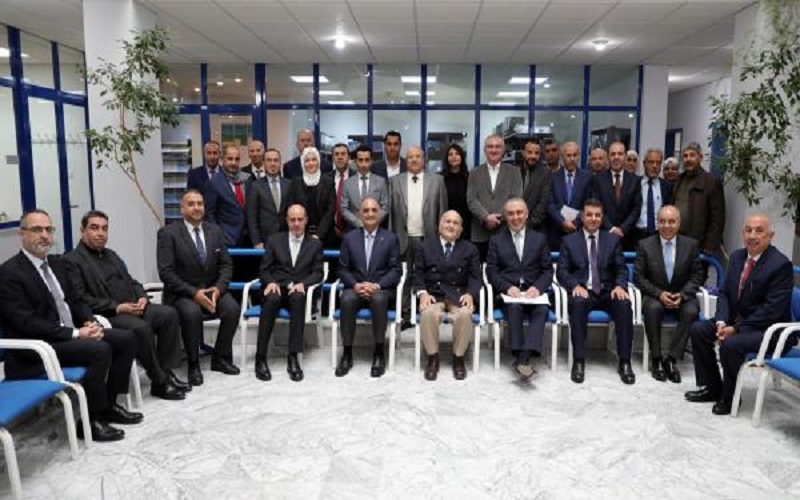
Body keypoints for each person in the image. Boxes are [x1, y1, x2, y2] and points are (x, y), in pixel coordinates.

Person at [0, 210, 140, 442]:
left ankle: (109, 405)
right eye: (37, 230)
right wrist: (75, 333)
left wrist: (91, 322)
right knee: (100, 350)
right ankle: (90, 422)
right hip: (38, 349)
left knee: (127, 339)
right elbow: (25, 322)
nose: (44, 235)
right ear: (21, 234)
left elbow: (75, 300)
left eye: (48, 229)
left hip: (68, 335)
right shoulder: (9, 273)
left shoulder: (57, 263)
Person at [65, 210, 188, 401]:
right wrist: (117, 307)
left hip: (134, 307)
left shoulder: (111, 255)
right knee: (141, 328)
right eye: (94, 228)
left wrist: (142, 297)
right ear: (83, 231)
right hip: (108, 314)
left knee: (169, 314)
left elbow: (132, 282)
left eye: (104, 229)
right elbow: (80, 298)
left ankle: (166, 371)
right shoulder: (72, 260)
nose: (100, 233)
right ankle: (159, 381)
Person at [685, 214, 794, 415]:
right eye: (748, 230)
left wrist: (736, 329)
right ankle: (713, 387)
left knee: (731, 344)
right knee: (699, 329)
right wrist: (721, 321)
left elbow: (772, 310)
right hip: (736, 321)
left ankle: (730, 396)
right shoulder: (736, 257)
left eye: (759, 231)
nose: (752, 235)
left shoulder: (780, 265)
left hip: (769, 330)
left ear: (771, 236)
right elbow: (725, 293)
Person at [157, 190, 241, 386]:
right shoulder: (168, 233)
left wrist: (218, 289)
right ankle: (193, 364)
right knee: (192, 312)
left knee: (232, 309)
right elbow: (166, 272)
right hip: (182, 294)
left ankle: (219, 358)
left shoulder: (215, 231)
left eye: (200, 203)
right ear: (182, 208)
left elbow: (226, 265)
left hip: (212, 290)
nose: (196, 208)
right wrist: (194, 294)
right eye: (191, 204)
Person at [557, 199, 636, 385]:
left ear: (602, 218)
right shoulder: (569, 241)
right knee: (577, 304)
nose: (593, 219)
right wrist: (574, 286)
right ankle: (579, 361)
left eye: (597, 215)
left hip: (608, 291)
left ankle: (625, 362)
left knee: (624, 305)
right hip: (583, 291)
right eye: (589, 215)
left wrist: (620, 286)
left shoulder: (613, 240)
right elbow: (562, 271)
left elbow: (622, 269)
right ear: (582, 217)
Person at [255, 204, 324, 382]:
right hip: (277, 287)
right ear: (287, 221)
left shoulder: (315, 244)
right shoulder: (274, 240)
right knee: (270, 300)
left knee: (298, 299)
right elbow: (264, 270)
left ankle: (293, 357)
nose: (296, 223)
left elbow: (318, 273)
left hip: (298, 290)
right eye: (292, 220)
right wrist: (270, 282)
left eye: (300, 219)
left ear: (306, 220)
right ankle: (260, 357)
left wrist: (304, 284)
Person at [634, 205, 703, 382]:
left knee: (691, 311)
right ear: (657, 223)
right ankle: (657, 359)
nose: (666, 225)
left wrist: (683, 295)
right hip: (655, 296)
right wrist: (659, 294)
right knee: (653, 309)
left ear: (678, 223)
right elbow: (639, 277)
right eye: (662, 221)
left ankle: (671, 359)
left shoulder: (691, 245)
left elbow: (697, 275)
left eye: (671, 221)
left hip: (682, 295)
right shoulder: (645, 245)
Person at [486, 198, 553, 380]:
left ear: (527, 214)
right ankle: (522, 356)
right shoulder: (496, 241)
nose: (515, 217)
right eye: (511, 213)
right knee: (514, 307)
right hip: (509, 295)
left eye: (519, 213)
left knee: (542, 310)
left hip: (534, 294)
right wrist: (507, 287)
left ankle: (523, 357)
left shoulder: (539, 239)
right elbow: (491, 271)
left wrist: (538, 287)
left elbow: (548, 270)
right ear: (505, 217)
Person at [335, 197, 401, 378]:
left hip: (381, 289)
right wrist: (355, 285)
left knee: (379, 300)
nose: (370, 214)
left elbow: (396, 270)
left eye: (374, 210)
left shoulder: (390, 238)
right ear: (359, 214)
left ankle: (379, 352)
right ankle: (347, 354)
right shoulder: (349, 238)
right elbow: (342, 269)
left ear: (379, 213)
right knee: (346, 299)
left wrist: (377, 285)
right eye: (366, 210)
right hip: (355, 288)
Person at [413, 211, 481, 381]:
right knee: (428, 313)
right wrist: (422, 293)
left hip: (459, 296)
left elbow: (475, 277)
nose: (451, 225)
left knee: (465, 314)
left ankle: (458, 359)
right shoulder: (425, 247)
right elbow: (417, 274)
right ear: (439, 226)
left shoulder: (470, 249)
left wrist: (470, 294)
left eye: (455, 223)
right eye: (447, 221)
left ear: (461, 229)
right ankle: (432, 358)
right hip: (433, 295)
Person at [388, 145, 447, 329]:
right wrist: (391, 238)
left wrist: (442, 239)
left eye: (417, 156)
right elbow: (390, 214)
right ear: (406, 160)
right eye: (410, 157)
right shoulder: (394, 181)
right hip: (403, 237)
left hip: (428, 237)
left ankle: (428, 313)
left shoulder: (437, 181)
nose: (414, 160)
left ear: (424, 160)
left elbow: (442, 211)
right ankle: (405, 314)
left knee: (429, 275)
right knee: (404, 277)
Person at [466, 134, 523, 260]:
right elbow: (471, 199)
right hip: (479, 233)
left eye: (498, 147)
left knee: (504, 269)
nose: (494, 150)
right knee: (479, 269)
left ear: (503, 150)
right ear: (484, 150)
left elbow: (516, 199)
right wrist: (486, 217)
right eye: (490, 146)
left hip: (505, 232)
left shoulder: (514, 172)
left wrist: (497, 219)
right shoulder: (474, 173)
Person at [672, 142, 726, 254]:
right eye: (685, 156)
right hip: (677, 238)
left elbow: (718, 217)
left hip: (699, 242)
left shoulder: (711, 182)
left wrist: (710, 243)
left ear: (700, 157)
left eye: (692, 155)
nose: (688, 159)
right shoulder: (678, 180)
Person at [591, 141, 642, 251]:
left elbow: (636, 208)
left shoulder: (635, 180)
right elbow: (596, 207)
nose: (616, 157)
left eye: (620, 154)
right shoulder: (598, 180)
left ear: (625, 156)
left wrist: (623, 229)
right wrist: (611, 228)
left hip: (627, 238)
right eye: (613, 154)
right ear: (608, 157)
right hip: (604, 235)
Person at [546, 141, 593, 251]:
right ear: (562, 156)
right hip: (556, 232)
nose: (572, 159)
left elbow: (589, 204)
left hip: (578, 231)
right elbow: (550, 204)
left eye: (575, 155)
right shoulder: (552, 177)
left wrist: (576, 222)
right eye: (568, 155)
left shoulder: (587, 177)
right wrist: (562, 222)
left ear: (579, 156)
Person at [203, 144, 252, 247]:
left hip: (248, 238)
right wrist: (219, 236)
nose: (233, 163)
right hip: (226, 239)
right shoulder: (214, 182)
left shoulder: (247, 179)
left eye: (237, 159)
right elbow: (209, 215)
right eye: (230, 159)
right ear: (222, 160)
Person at [286, 146, 335, 242]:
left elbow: (330, 210)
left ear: (319, 162)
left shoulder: (328, 182)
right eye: (307, 160)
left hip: (325, 236)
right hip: (300, 235)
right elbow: (291, 207)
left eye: (314, 159)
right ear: (302, 163)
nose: (311, 163)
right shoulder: (295, 183)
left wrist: (319, 234)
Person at [246, 147, 292, 248]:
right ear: (264, 163)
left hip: (287, 239)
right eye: (269, 160)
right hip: (265, 241)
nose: (272, 163)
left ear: (280, 163)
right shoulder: (255, 186)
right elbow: (252, 217)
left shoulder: (289, 184)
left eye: (276, 160)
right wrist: (256, 241)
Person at [340, 144, 389, 230]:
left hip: (376, 229)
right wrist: (359, 223)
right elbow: (344, 209)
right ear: (355, 161)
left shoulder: (381, 182)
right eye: (360, 160)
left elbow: (385, 207)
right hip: (354, 229)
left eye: (367, 160)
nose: (363, 164)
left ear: (371, 161)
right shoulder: (347, 183)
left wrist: (372, 222)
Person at [323, 142, 357, 248]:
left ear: (349, 157)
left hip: (353, 233)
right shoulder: (324, 179)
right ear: (332, 158)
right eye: (336, 154)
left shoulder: (357, 177)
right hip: (330, 233)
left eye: (343, 154)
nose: (340, 157)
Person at [635, 148, 673, 241]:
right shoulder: (634, 183)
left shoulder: (667, 186)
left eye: (658, 163)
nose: (654, 166)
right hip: (637, 234)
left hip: (659, 234)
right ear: (644, 163)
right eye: (651, 162)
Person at [441, 143, 471, 241]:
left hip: (466, 226)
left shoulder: (470, 177)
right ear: (447, 158)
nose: (454, 156)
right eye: (450, 154)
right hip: (446, 224)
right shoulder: (440, 179)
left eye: (457, 154)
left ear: (462, 157)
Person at [519, 138, 552, 231]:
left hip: (535, 228)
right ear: (523, 152)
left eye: (536, 153)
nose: (533, 156)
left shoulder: (545, 173)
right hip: (513, 224)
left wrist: (528, 225)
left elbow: (543, 203)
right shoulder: (514, 171)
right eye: (529, 152)